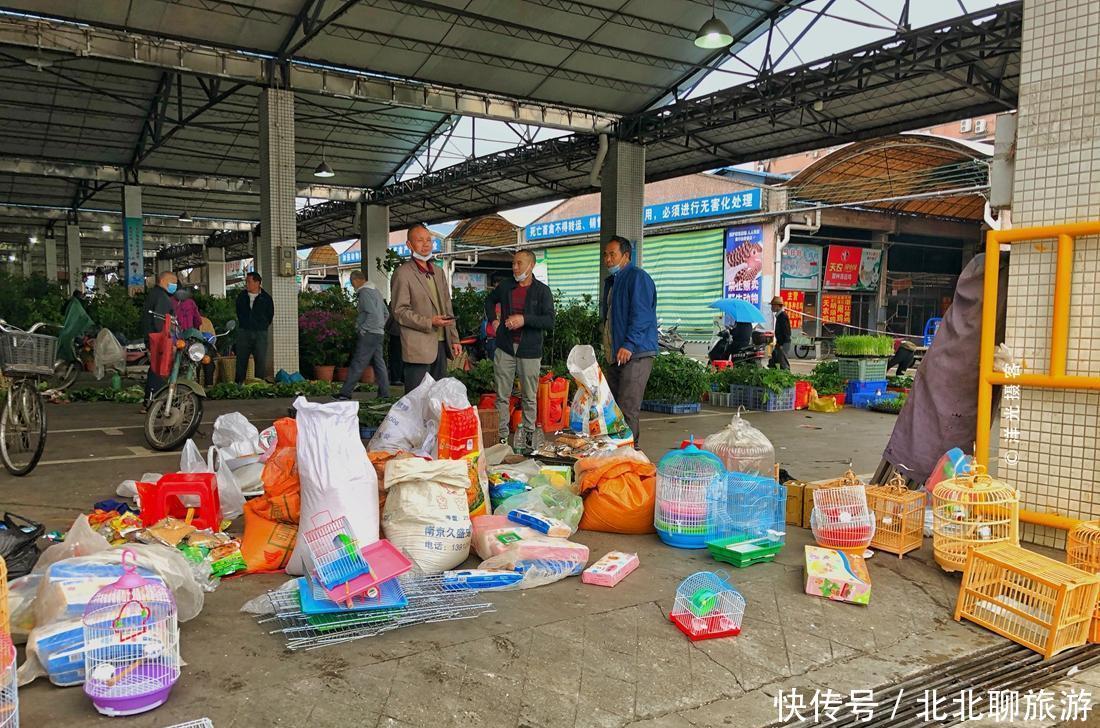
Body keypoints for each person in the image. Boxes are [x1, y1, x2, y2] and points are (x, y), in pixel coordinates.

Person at [875, 253, 1010, 486]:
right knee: (932, 451)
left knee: (934, 449)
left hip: (949, 379)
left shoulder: (985, 271)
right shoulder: (992, 274)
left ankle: (914, 493)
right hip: (952, 380)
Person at [484, 251, 555, 449]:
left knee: (529, 396)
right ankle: (502, 438)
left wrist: (524, 320)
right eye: (513, 263)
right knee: (502, 395)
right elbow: (489, 301)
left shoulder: (542, 291)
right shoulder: (506, 286)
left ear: (531, 265)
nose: (515, 267)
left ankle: (529, 437)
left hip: (530, 350)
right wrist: (494, 320)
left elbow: (549, 321)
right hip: (505, 348)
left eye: (519, 263)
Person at [601, 236, 657, 445]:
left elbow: (642, 316)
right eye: (606, 254)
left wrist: (629, 344)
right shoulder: (613, 282)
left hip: (636, 353)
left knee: (627, 407)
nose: (607, 259)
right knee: (614, 409)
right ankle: (617, 453)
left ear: (626, 256)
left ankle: (630, 456)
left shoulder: (637, 277)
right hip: (618, 354)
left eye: (612, 254)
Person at [390, 224, 460, 390]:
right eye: (420, 240)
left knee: (437, 398)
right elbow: (399, 311)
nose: (426, 244)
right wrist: (429, 322)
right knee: (417, 399)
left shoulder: (438, 271)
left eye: (428, 240)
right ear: (409, 245)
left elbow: (447, 308)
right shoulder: (403, 273)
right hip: (417, 348)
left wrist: (455, 339)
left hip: (442, 345)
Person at [336, 270, 390, 400]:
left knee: (358, 363)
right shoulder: (376, 291)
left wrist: (363, 328)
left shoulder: (364, 293)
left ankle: (345, 393)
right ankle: (384, 394)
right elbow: (386, 313)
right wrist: (380, 326)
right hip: (379, 333)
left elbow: (371, 313)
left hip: (369, 333)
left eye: (352, 282)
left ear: (355, 280)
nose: (353, 286)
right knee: (379, 364)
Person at [139, 270, 177, 412]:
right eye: (172, 282)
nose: (175, 285)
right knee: (159, 371)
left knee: (155, 370)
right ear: (163, 281)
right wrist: (167, 340)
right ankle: (155, 403)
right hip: (159, 339)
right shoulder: (162, 297)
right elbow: (160, 321)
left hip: (152, 337)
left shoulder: (155, 294)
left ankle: (149, 402)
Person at [234, 271, 274, 383]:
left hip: (260, 332)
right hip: (244, 331)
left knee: (260, 359)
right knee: (241, 359)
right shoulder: (242, 296)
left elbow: (270, 314)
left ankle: (258, 383)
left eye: (249, 281)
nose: (247, 284)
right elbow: (238, 311)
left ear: (257, 283)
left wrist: (262, 325)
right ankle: (239, 383)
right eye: (246, 282)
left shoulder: (266, 298)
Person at [769, 295, 791, 370]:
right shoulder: (779, 315)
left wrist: (782, 344)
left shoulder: (783, 316)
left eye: (773, 305)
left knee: (783, 363)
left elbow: (786, 331)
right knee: (773, 361)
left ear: (778, 306)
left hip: (783, 343)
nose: (771, 307)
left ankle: (787, 377)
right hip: (780, 342)